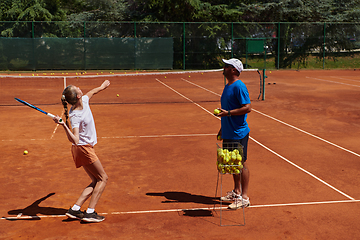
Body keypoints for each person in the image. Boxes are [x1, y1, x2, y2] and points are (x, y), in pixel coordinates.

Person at [53, 80, 110, 222]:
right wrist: (64, 126)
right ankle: (90, 213)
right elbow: (75, 139)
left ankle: (75, 209)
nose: (80, 88)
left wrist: (102, 87)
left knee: (95, 180)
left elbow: (92, 92)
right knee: (103, 178)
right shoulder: (75, 116)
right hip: (83, 148)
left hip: (82, 149)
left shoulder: (84, 99)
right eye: (77, 89)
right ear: (77, 96)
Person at [215, 58, 251, 209]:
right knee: (231, 163)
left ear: (234, 70)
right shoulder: (227, 86)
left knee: (240, 163)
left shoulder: (239, 86)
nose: (223, 68)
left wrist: (228, 113)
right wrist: (223, 128)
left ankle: (245, 197)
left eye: (227, 66)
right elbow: (226, 110)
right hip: (229, 131)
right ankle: (236, 191)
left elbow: (247, 107)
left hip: (238, 132)